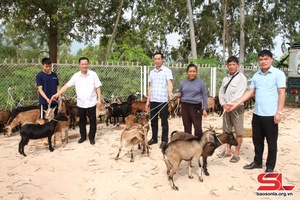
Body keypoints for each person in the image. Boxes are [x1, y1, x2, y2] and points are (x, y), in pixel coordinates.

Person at [228, 50, 286, 172]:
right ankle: (257, 162)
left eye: (266, 59)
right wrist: (236, 104)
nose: (263, 61)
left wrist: (279, 112)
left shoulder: (278, 74)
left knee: (271, 142)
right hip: (257, 113)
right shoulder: (256, 75)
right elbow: (250, 92)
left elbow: (282, 93)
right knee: (257, 140)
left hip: (270, 115)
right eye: (261, 59)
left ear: (271, 59)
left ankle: (270, 167)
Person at [51, 57, 102, 145]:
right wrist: (57, 94)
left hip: (91, 102)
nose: (84, 66)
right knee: (81, 120)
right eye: (82, 64)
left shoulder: (93, 74)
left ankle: (91, 137)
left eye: (86, 64)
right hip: (81, 103)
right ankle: (83, 137)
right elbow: (66, 86)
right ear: (79, 65)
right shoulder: (76, 76)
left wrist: (99, 99)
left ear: (88, 64)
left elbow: (97, 87)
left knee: (93, 120)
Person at [218, 56, 247, 163]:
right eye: (229, 64)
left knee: (238, 131)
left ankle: (237, 153)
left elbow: (239, 94)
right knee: (227, 131)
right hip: (226, 108)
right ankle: (228, 150)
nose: (231, 66)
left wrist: (231, 104)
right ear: (227, 66)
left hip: (237, 108)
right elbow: (221, 92)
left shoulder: (241, 78)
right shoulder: (225, 79)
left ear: (238, 65)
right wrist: (223, 104)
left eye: (234, 64)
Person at [146, 52, 174, 149]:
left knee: (164, 121)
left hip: (163, 100)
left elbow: (169, 83)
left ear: (162, 59)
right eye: (155, 59)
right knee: (153, 121)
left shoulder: (167, 71)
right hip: (153, 100)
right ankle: (154, 138)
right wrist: (148, 100)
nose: (157, 61)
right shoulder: (152, 72)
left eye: (159, 59)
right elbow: (150, 86)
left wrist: (170, 91)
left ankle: (164, 140)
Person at [176, 63, 208, 138]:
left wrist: (205, 109)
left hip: (196, 107)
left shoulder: (201, 83)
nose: (192, 73)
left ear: (196, 72)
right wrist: (178, 95)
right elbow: (180, 92)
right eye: (190, 71)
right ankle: (188, 145)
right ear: (187, 72)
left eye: (194, 71)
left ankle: (199, 144)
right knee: (187, 127)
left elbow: (204, 96)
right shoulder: (182, 82)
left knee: (197, 128)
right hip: (185, 106)